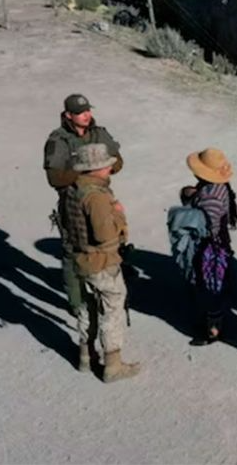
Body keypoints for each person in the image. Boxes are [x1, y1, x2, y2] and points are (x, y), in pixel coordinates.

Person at [63, 143, 141, 382]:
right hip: (102, 262)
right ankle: (113, 366)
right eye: (106, 164)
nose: (110, 167)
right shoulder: (96, 196)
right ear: (96, 168)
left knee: (87, 308)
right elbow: (104, 234)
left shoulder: (73, 190)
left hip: (81, 259)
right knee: (112, 309)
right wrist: (117, 212)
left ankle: (86, 357)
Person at [43, 93, 123, 317]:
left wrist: (102, 168)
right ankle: (77, 303)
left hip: (100, 198)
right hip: (72, 203)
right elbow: (54, 178)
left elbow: (118, 161)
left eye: (88, 110)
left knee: (105, 242)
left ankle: (105, 291)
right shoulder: (58, 141)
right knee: (72, 251)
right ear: (68, 115)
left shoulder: (99, 133)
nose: (87, 115)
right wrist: (86, 172)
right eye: (80, 113)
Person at [186, 147, 237, 344]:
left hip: (210, 248)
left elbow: (207, 227)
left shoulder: (209, 197)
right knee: (216, 287)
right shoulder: (221, 188)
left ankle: (212, 331)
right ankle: (215, 324)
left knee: (209, 288)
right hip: (220, 245)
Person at [166, 185, 207, 280]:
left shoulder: (174, 211)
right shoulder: (198, 214)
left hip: (180, 249)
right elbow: (202, 232)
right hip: (194, 249)